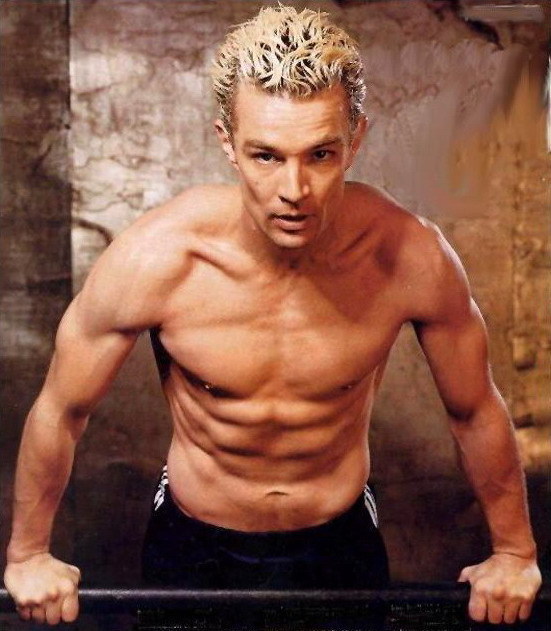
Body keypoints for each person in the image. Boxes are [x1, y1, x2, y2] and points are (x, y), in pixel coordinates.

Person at [3, 5, 541, 627]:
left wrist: (514, 552)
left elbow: (474, 409)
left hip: (337, 542)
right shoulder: (157, 258)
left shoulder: (409, 257)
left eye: (320, 154)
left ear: (355, 140)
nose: (294, 190)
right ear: (226, 142)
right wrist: (28, 554)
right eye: (266, 156)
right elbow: (61, 410)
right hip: (194, 545)